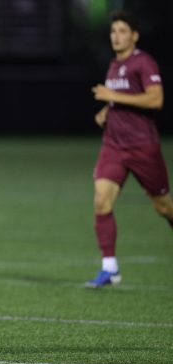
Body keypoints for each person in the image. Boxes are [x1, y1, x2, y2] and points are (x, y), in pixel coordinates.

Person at [86, 11, 173, 288]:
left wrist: (111, 96)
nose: (116, 36)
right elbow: (123, 100)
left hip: (142, 147)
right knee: (101, 200)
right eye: (113, 31)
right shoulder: (114, 65)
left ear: (134, 35)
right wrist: (106, 111)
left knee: (163, 207)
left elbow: (155, 99)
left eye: (123, 31)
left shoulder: (143, 62)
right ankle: (109, 269)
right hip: (114, 145)